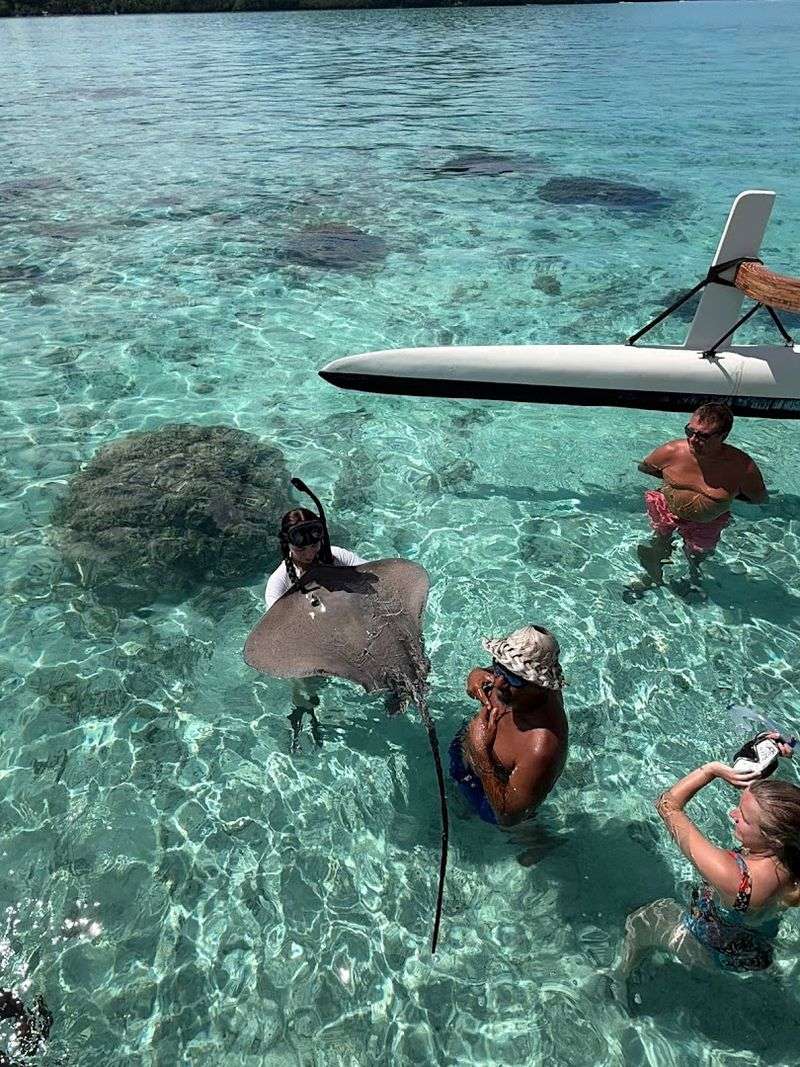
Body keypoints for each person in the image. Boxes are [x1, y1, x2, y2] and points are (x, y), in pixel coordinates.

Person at [615, 739, 799, 992]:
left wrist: (710, 770)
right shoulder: (791, 853)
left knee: (645, 918)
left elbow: (667, 805)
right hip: (757, 951)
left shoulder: (734, 877)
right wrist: (768, 757)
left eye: (743, 818)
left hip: (709, 952)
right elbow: (780, 809)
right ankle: (770, 974)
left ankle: (619, 979)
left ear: (773, 838)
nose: (732, 814)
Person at [630, 401, 767, 595]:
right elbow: (646, 468)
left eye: (703, 435)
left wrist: (722, 499)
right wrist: (675, 483)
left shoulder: (742, 468)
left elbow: (758, 499)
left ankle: (693, 579)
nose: (693, 439)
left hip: (708, 521)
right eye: (690, 431)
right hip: (667, 507)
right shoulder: (671, 452)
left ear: (723, 436)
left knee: (697, 555)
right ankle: (652, 577)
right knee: (660, 543)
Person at [264, 502, 365, 748]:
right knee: (307, 689)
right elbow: (279, 632)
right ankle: (304, 714)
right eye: (302, 549)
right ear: (288, 545)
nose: (310, 554)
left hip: (349, 633)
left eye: (314, 545)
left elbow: (375, 577)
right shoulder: (278, 583)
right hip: (310, 648)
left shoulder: (338, 556)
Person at [449, 625, 568, 826]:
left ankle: (537, 842)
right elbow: (499, 675)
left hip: (490, 791)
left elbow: (508, 816)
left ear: (539, 685)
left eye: (512, 677)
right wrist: (476, 674)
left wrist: (481, 755)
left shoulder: (541, 747)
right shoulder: (511, 685)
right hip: (470, 758)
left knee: (522, 831)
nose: (497, 683)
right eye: (498, 667)